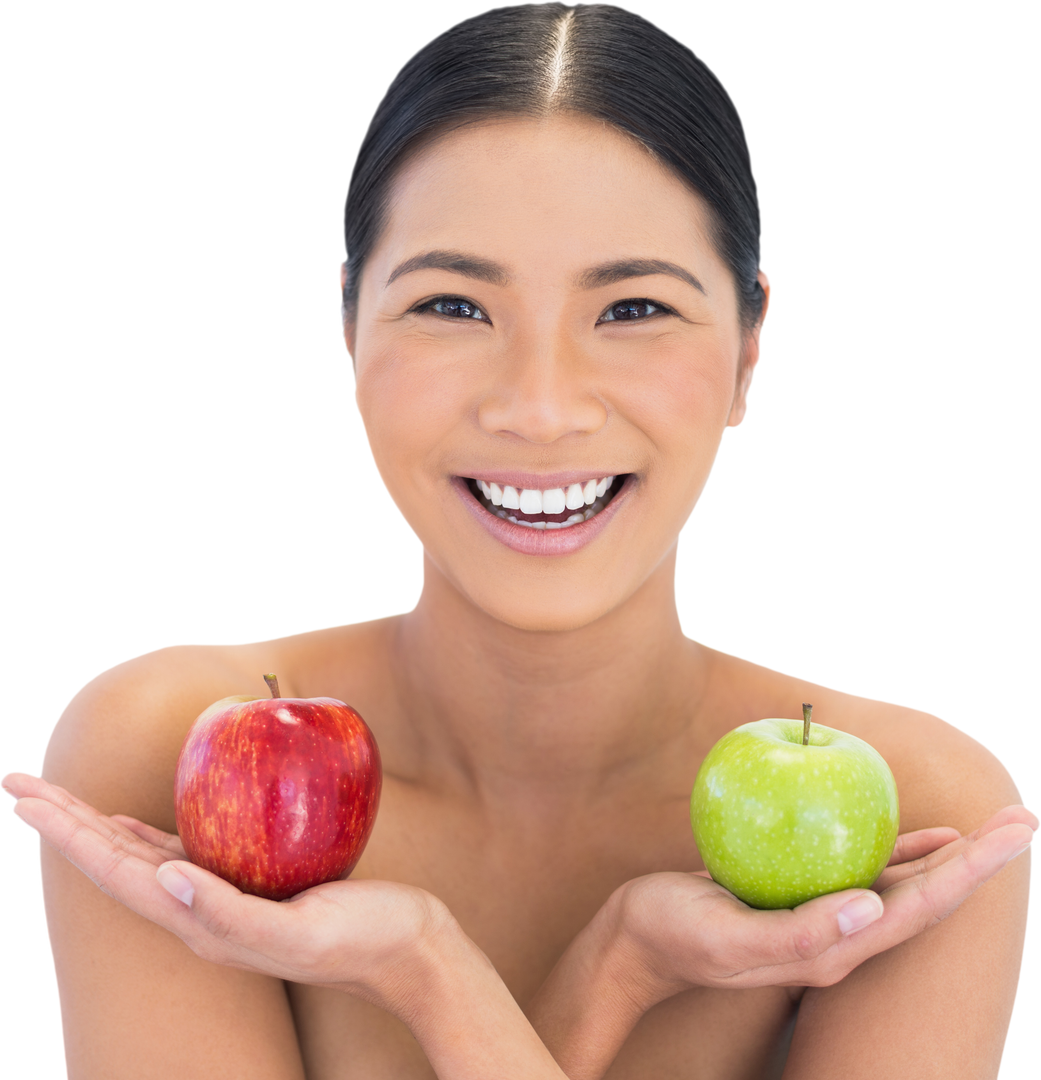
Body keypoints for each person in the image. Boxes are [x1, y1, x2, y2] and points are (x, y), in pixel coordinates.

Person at [2, 4, 1036, 1077]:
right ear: (349, 327)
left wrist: (533, 970)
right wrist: (523, 972)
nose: (540, 410)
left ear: (748, 350)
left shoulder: (918, 824)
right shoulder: (168, 757)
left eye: (632, 309)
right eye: (454, 304)